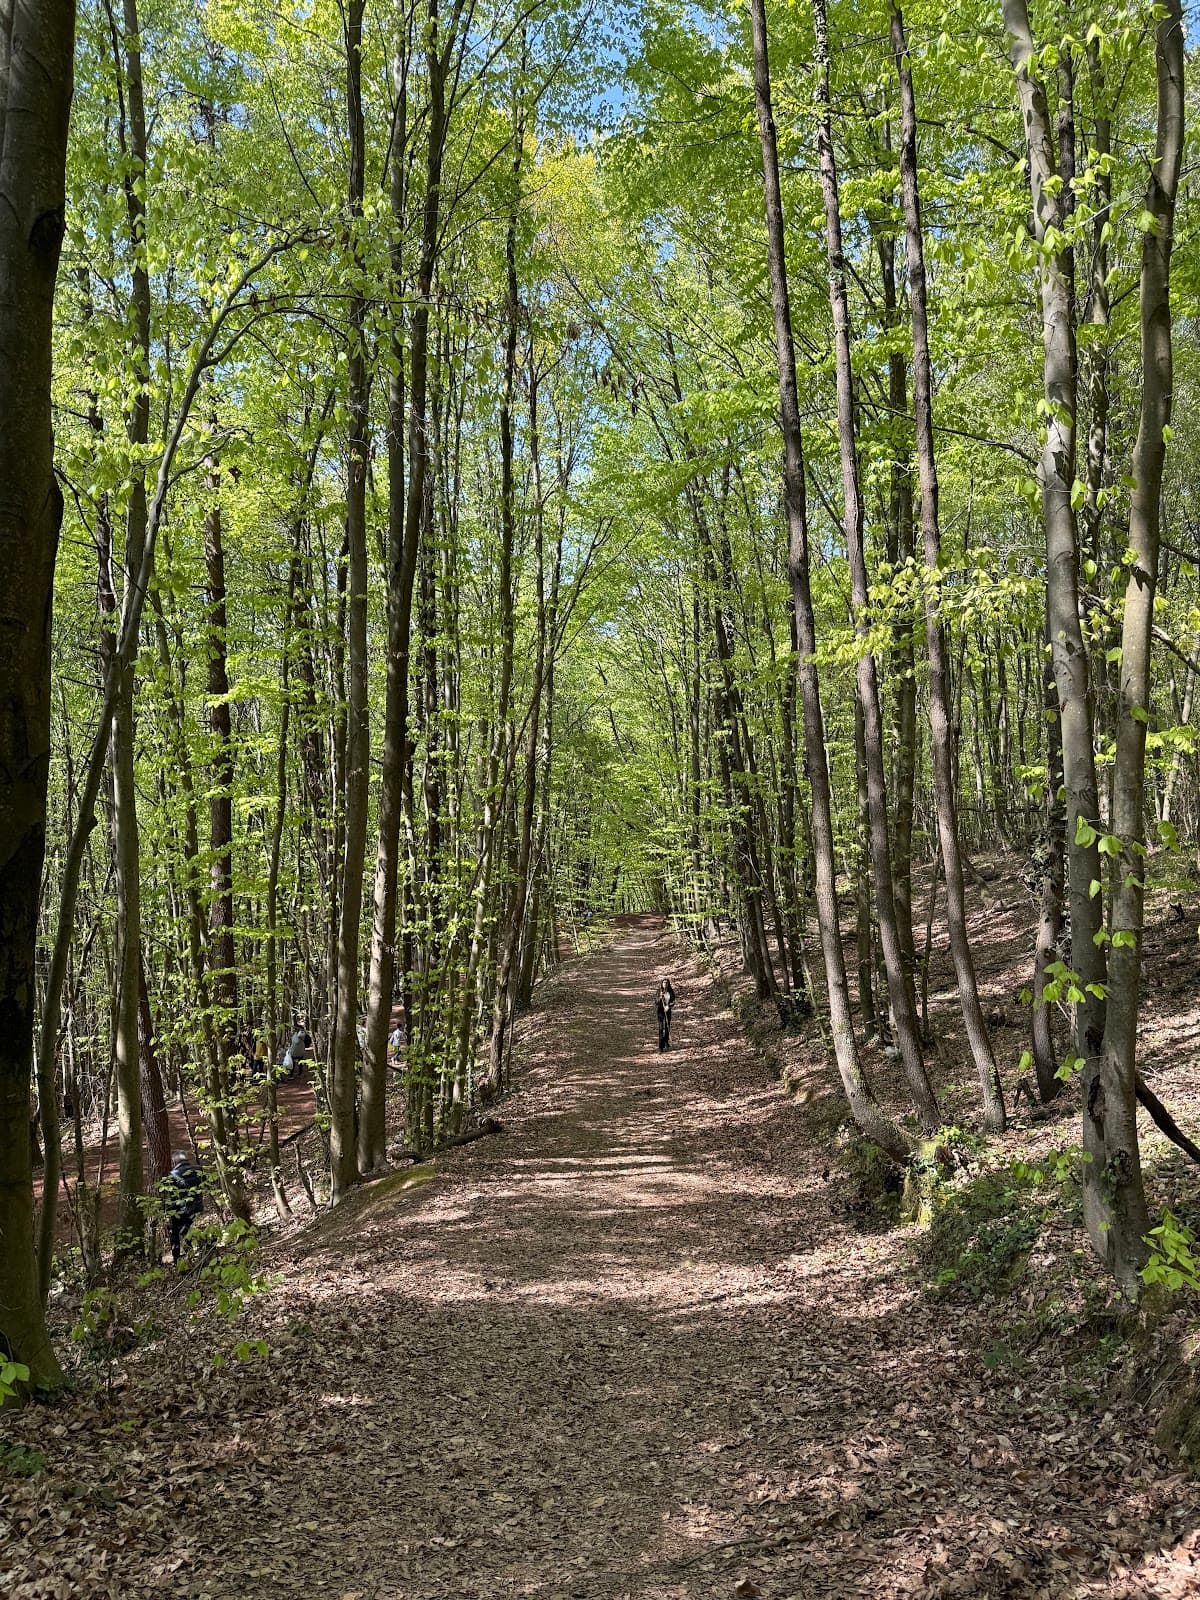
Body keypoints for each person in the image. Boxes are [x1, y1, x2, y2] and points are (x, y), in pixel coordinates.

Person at [164, 1151, 204, 1265]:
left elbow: (172, 1198)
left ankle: (178, 1260)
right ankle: (196, 1256)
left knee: (175, 1233)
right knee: (190, 1232)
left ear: (175, 1161)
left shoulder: (173, 1175)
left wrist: (169, 1212)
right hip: (197, 1208)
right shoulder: (198, 1170)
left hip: (180, 1211)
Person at [656, 979, 675, 1052]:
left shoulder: (670, 991)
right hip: (660, 1011)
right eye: (664, 983)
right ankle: (660, 1046)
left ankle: (666, 1041)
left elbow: (673, 1001)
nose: (665, 984)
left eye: (666, 983)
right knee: (661, 1028)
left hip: (668, 1011)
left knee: (667, 1026)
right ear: (662, 984)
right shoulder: (659, 991)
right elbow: (656, 1002)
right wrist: (660, 998)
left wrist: (668, 1006)